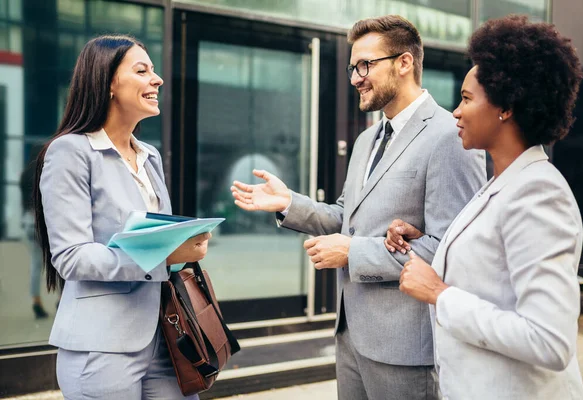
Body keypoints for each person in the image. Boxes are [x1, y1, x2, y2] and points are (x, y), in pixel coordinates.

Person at [231, 15, 486, 399]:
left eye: (365, 65)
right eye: (353, 67)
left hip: (407, 350)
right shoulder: (367, 139)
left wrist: (352, 252)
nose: (355, 77)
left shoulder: (450, 137)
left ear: (404, 63)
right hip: (350, 336)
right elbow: (346, 217)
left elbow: (451, 251)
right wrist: (289, 203)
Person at [391, 15, 583, 399]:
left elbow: (550, 341)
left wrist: (440, 295)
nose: (456, 113)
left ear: (507, 106)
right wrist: (423, 238)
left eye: (466, 98)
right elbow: (488, 262)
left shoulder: (539, 193)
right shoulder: (501, 182)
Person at [34, 35, 210, 400]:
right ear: (108, 82)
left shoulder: (149, 155)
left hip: (167, 337)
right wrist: (163, 258)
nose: (157, 79)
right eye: (142, 70)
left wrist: (185, 245)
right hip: (101, 346)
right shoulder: (71, 152)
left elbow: (155, 237)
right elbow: (71, 256)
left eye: (154, 70)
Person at [20, 157, 47, 319]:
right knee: (57, 262)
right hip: (42, 222)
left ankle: (36, 300)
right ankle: (61, 299)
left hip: (28, 221)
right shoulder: (44, 173)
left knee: (36, 264)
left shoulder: (25, 175)